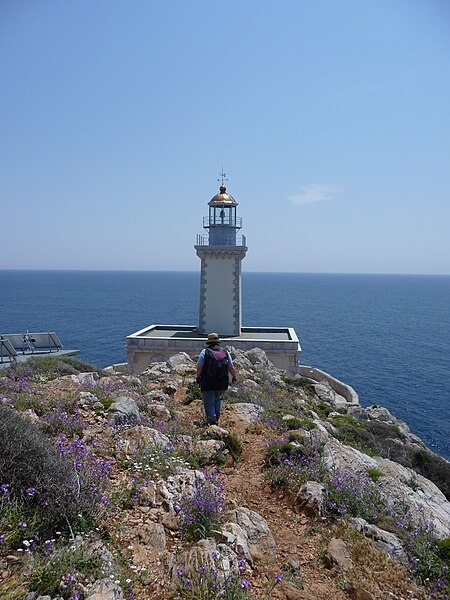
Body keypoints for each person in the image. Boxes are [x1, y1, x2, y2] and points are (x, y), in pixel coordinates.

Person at [196, 332, 237, 425]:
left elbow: (200, 367)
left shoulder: (205, 352)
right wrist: (234, 376)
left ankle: (211, 422)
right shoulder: (225, 352)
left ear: (209, 342)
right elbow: (231, 366)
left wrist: (197, 377)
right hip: (222, 381)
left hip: (208, 380)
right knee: (217, 399)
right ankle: (217, 417)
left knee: (209, 402)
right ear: (218, 342)